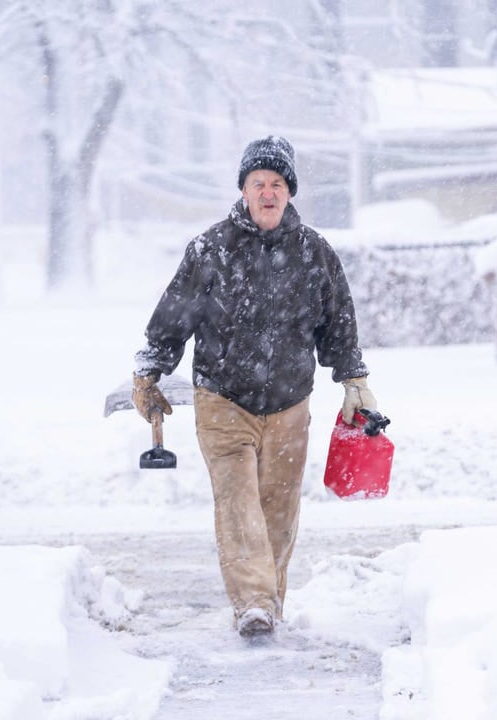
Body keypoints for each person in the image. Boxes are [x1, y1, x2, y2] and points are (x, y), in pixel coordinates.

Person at [130, 135, 378, 638]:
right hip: (223, 397)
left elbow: (339, 323)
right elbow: (173, 315)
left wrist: (353, 379)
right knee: (238, 499)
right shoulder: (210, 250)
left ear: (290, 192)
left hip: (290, 401)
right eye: (258, 183)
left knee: (279, 509)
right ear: (243, 190)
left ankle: (270, 602)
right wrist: (150, 369)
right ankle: (253, 604)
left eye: (277, 183)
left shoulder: (314, 253)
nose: (268, 192)